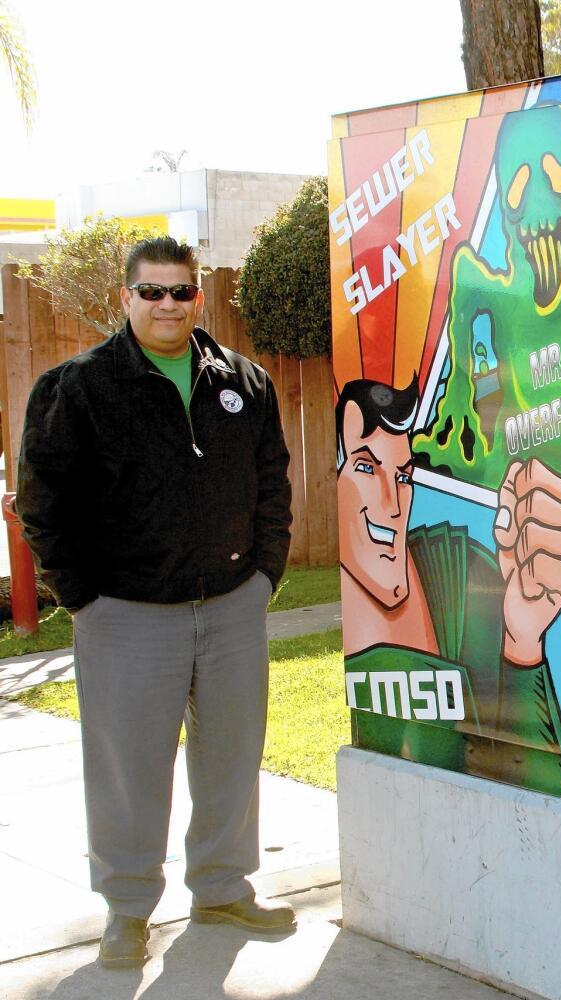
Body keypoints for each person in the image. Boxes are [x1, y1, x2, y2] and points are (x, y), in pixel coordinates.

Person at [17, 237, 294, 969]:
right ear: (126, 298)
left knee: (231, 757)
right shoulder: (76, 388)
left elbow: (273, 483)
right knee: (129, 769)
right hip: (125, 614)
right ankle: (127, 909)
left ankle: (222, 887)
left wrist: (266, 572)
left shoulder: (245, 382)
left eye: (179, 291)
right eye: (151, 292)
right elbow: (44, 504)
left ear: (198, 297)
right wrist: (80, 597)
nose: (166, 304)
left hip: (233, 603)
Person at [335, 378, 561, 802]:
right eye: (366, 468)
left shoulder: (467, 575)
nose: (393, 503)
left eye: (402, 477)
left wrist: (523, 646)